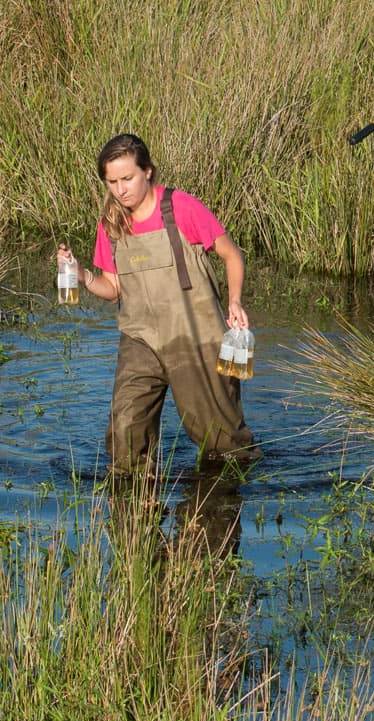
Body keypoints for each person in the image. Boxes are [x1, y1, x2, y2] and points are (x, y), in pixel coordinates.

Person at [56, 133, 254, 477]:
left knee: (223, 445)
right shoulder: (111, 223)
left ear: (148, 171)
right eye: (112, 182)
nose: (120, 190)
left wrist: (234, 301)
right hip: (140, 339)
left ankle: (221, 507)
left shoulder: (182, 208)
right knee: (125, 433)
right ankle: (136, 510)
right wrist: (82, 274)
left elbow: (231, 254)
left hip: (195, 338)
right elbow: (114, 289)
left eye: (127, 179)